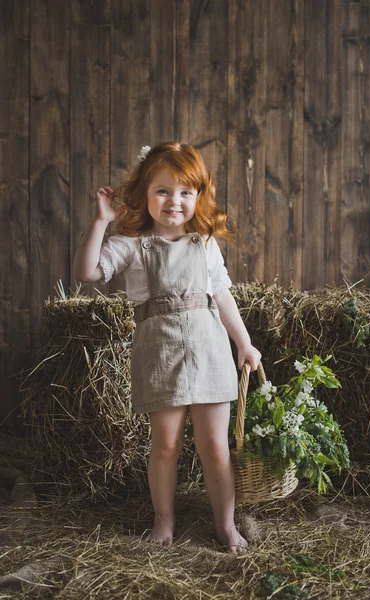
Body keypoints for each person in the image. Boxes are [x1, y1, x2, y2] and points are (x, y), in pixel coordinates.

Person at [73, 142, 262, 553]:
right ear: (143, 193)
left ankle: (225, 526)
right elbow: (87, 272)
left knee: (215, 447)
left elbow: (223, 296)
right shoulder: (131, 243)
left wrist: (244, 343)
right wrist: (102, 222)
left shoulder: (203, 242)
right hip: (160, 356)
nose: (173, 201)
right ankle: (164, 521)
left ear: (198, 196)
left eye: (184, 192)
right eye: (162, 191)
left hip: (209, 351)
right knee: (166, 445)